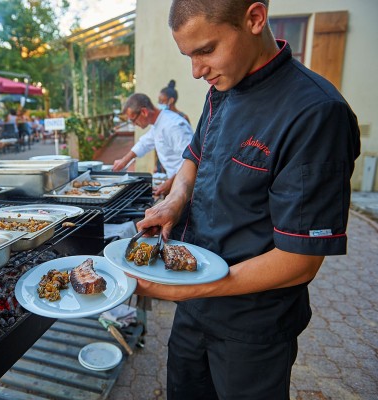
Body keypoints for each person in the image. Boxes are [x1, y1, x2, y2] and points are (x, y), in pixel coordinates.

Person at [134, 1, 361, 399]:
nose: (197, 70)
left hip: (252, 329)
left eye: (206, 50)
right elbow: (194, 157)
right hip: (194, 308)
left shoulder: (316, 113)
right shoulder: (222, 87)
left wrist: (185, 290)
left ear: (254, 19)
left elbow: (299, 262)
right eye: (188, 56)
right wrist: (175, 200)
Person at [112, 93, 193, 196]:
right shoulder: (158, 123)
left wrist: (170, 183)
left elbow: (190, 160)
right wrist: (124, 161)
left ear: (144, 112)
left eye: (133, 120)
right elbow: (144, 143)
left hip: (185, 183)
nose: (134, 124)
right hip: (176, 180)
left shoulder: (174, 126)